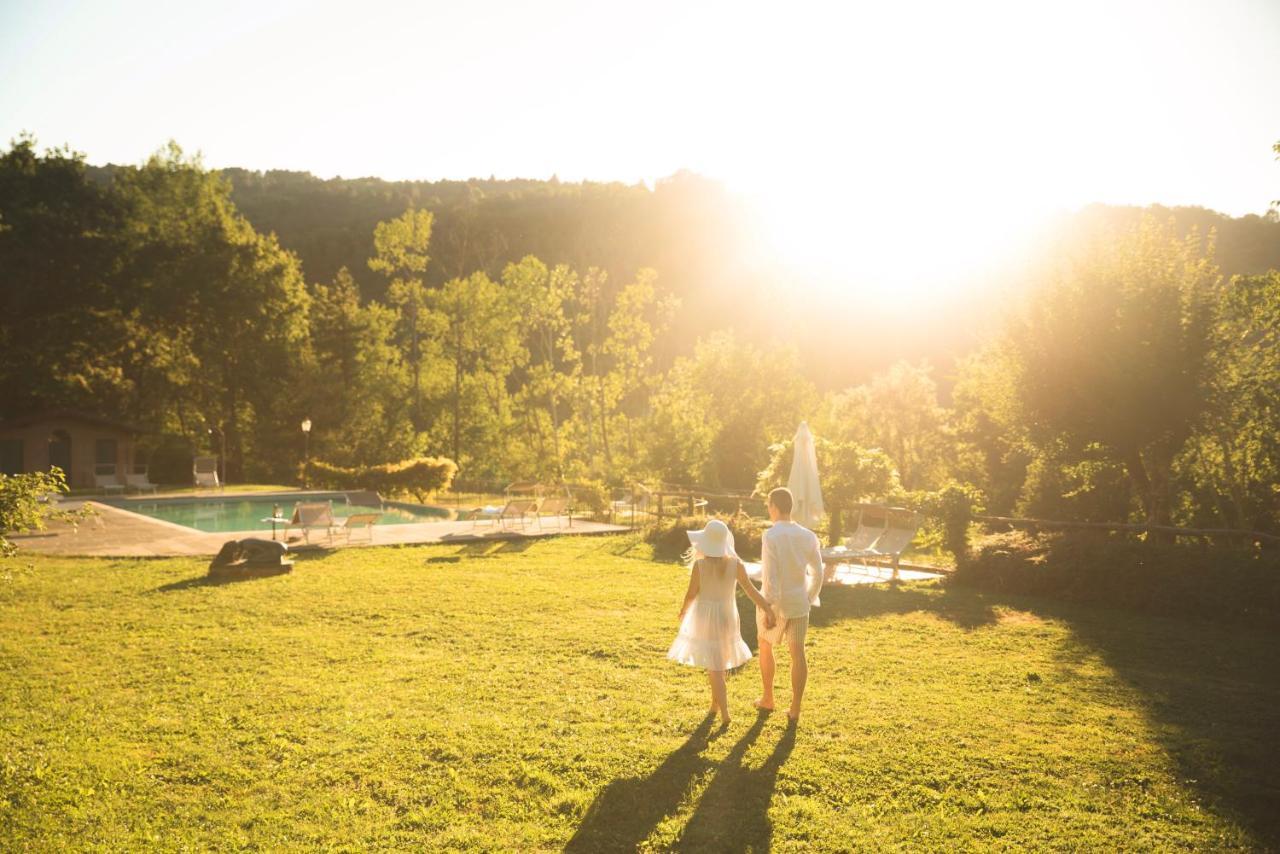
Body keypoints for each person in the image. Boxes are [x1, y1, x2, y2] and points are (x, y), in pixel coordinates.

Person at [668, 519, 775, 725]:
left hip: (706, 617)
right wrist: (767, 607)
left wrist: (683, 610)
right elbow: (751, 591)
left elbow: (691, 594)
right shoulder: (736, 565)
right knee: (719, 662)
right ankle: (715, 705)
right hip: (727, 616)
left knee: (715, 667)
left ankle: (725, 713)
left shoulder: (700, 566)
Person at [755, 487, 824, 723]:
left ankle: (768, 697)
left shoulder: (771, 536)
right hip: (799, 603)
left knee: (765, 645)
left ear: (774, 506)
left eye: (768, 505)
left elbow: (770, 577)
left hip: (777, 604)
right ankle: (795, 708)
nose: (768, 509)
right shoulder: (808, 536)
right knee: (798, 654)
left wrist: (769, 608)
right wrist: (809, 596)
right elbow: (818, 572)